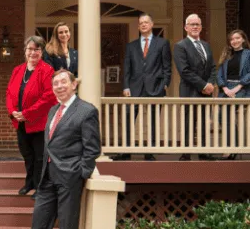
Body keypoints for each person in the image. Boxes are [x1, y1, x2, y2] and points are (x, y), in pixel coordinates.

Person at [31, 69, 101, 229]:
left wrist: (80, 172)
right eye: (55, 83)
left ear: (74, 84)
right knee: (39, 223)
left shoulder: (86, 111)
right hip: (47, 176)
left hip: (69, 177)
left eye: (63, 82)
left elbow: (93, 148)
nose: (59, 86)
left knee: (67, 224)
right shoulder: (53, 111)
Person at [114, 13, 171, 161]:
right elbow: (127, 68)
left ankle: (149, 152)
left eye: (146, 22)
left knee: (153, 120)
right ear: (138, 26)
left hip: (155, 88)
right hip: (134, 88)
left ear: (152, 24)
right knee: (128, 118)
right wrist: (126, 87)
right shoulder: (131, 46)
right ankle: (126, 151)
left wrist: (164, 85)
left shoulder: (162, 43)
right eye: (141, 23)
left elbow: (167, 67)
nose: (143, 25)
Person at [6, 36, 56, 197]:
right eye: (30, 49)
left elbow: (49, 97)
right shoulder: (17, 70)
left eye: (36, 49)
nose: (32, 52)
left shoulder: (47, 70)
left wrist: (27, 113)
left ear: (41, 52)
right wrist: (12, 111)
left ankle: (40, 187)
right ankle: (29, 183)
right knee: (27, 155)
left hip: (38, 122)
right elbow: (9, 93)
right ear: (25, 51)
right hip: (20, 122)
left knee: (40, 157)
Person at [173, 13, 217, 161]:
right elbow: (184, 71)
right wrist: (203, 85)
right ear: (186, 27)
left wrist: (210, 84)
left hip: (206, 92)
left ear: (201, 27)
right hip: (189, 91)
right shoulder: (180, 46)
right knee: (188, 122)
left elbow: (212, 67)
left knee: (205, 122)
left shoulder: (206, 45)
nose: (195, 27)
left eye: (197, 24)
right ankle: (186, 153)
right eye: (192, 24)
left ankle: (203, 152)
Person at [216, 29, 250, 159]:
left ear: (243, 39)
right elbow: (219, 74)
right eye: (232, 39)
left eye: (237, 38)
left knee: (228, 113)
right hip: (226, 89)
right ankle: (233, 146)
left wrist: (238, 87)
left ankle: (231, 149)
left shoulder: (248, 54)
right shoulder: (227, 55)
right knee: (221, 117)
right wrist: (224, 88)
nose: (234, 41)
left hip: (242, 88)